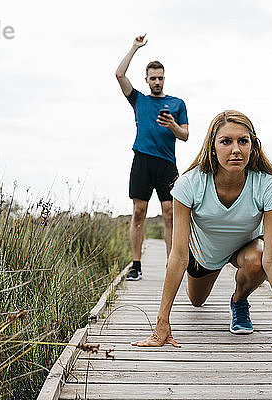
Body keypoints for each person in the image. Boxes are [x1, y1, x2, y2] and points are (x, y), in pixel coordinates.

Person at [132, 110, 272, 348]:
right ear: (212, 147)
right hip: (204, 256)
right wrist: (161, 323)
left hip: (245, 249)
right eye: (226, 141)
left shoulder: (269, 185)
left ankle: (239, 301)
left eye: (243, 141)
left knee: (258, 259)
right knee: (197, 301)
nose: (236, 149)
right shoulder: (190, 184)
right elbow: (178, 256)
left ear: (254, 146)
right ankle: (202, 286)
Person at [115, 34, 189, 281]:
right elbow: (119, 74)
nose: (157, 81)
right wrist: (134, 47)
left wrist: (173, 127)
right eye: (152, 78)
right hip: (142, 161)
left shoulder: (177, 104)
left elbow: (185, 135)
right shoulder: (139, 100)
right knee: (139, 212)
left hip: (167, 163)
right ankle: (136, 264)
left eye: (160, 77)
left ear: (164, 79)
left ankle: (172, 264)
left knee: (170, 213)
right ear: (146, 80)